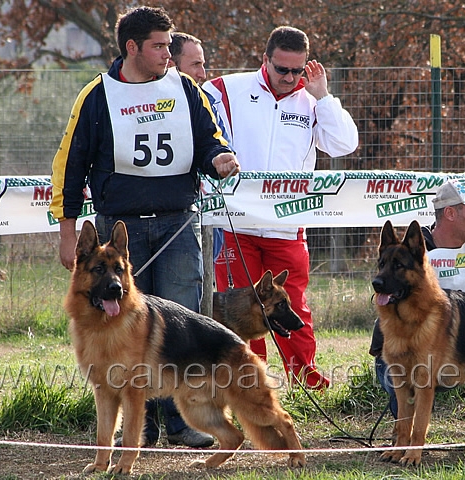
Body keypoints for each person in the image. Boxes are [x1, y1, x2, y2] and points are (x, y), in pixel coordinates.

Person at [50, 6, 240, 449]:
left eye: (169, 45)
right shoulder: (97, 95)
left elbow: (209, 135)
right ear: (132, 47)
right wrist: (66, 231)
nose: (167, 53)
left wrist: (219, 157)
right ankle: (142, 428)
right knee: (122, 332)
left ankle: (182, 421)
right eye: (158, 45)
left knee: (179, 329)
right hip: (120, 234)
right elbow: (70, 164)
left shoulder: (186, 87)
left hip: (177, 226)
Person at [203, 26, 359, 390]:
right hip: (235, 223)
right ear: (265, 60)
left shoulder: (310, 100)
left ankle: (305, 376)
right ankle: (247, 380)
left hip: (287, 227)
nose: (289, 78)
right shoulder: (226, 89)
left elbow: (344, 144)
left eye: (297, 71)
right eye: (281, 69)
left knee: (294, 305)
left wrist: (323, 98)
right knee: (240, 308)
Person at [369, 177, 465, 444]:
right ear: (450, 213)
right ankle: (403, 432)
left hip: (458, 350)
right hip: (408, 350)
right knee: (402, 377)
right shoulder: (412, 248)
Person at [168, 31, 226, 261]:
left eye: (203, 65)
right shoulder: (142, 105)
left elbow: (219, 146)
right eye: (195, 65)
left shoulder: (209, 103)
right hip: (172, 218)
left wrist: (221, 158)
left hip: (208, 220)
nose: (203, 74)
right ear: (171, 65)